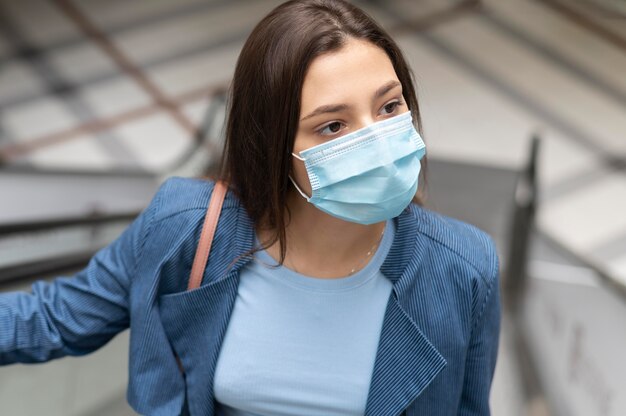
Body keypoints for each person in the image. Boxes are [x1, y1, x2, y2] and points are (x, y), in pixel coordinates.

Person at [0, 0, 501, 415]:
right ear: (274, 144)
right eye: (333, 126)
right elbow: (55, 317)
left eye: (389, 106)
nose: (377, 140)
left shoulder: (464, 268)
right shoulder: (187, 228)